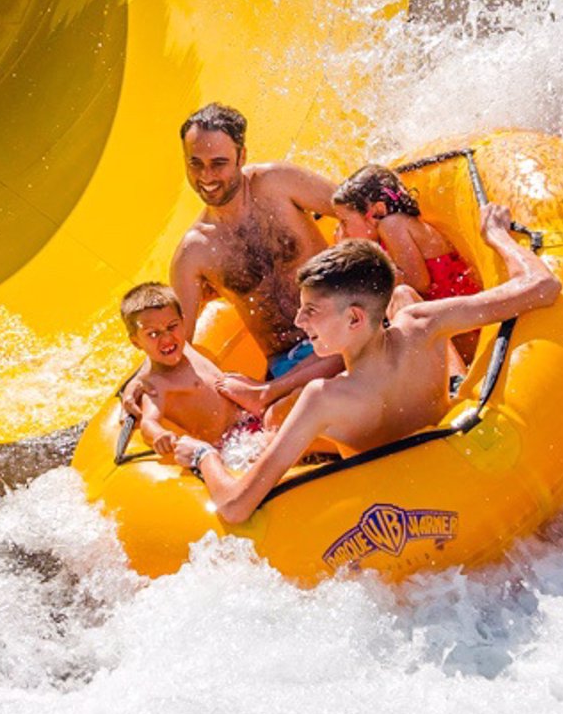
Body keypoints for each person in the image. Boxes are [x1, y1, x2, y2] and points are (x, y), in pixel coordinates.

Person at [172, 204, 560, 525]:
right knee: (405, 297)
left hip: (384, 502)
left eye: (311, 312)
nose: (299, 323)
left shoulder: (323, 398)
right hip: (447, 457)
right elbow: (543, 287)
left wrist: (204, 457)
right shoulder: (424, 325)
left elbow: (236, 506)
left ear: (355, 319)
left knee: (274, 421)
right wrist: (497, 236)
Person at [166, 102, 344, 412]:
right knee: (285, 415)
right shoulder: (193, 253)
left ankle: (267, 394)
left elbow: (355, 211)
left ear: (242, 156)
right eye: (195, 163)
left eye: (218, 163)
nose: (206, 176)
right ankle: (271, 397)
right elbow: (176, 342)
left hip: (343, 326)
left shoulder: (278, 182)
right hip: (291, 363)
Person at [331, 162, 483, 361]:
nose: (342, 230)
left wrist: (365, 256)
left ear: (377, 210)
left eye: (345, 221)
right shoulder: (386, 235)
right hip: (452, 324)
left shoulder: (392, 225)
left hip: (469, 328)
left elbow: (418, 283)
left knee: (394, 300)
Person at [118, 281, 248, 458]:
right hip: (229, 446)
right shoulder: (156, 383)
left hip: (247, 423)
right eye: (153, 334)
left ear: (183, 321)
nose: (167, 338)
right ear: (136, 343)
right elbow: (149, 421)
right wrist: (159, 435)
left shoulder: (185, 346)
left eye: (172, 326)